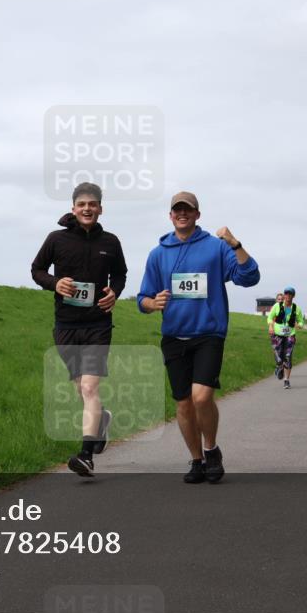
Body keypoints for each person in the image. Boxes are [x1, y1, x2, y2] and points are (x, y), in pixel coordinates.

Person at [137, 191, 260, 484]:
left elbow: (249, 277)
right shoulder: (158, 254)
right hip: (173, 336)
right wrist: (153, 304)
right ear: (170, 216)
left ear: (197, 214)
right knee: (183, 404)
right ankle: (196, 460)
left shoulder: (215, 248)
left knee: (202, 396)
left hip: (208, 333)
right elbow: (143, 297)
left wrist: (236, 244)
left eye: (188, 210)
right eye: (177, 210)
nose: (182, 214)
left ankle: (211, 449)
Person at [31, 182, 127, 478]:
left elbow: (120, 274)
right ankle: (102, 419)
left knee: (89, 387)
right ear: (73, 208)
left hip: (98, 324)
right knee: (80, 388)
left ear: (100, 208)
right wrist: (54, 283)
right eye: (82, 204)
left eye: (93, 204)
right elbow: (36, 269)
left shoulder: (110, 242)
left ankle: (86, 456)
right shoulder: (56, 239)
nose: (87, 209)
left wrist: (115, 292)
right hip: (66, 326)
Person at [267, 286, 305, 389]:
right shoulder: (277, 306)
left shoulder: (296, 308)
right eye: (286, 293)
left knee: (288, 356)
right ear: (284, 295)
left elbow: (301, 321)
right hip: (277, 335)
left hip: (290, 335)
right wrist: (270, 326)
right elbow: (270, 317)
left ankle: (286, 380)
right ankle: (279, 366)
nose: (288, 295)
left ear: (293, 296)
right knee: (278, 356)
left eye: (290, 294)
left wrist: (299, 325)